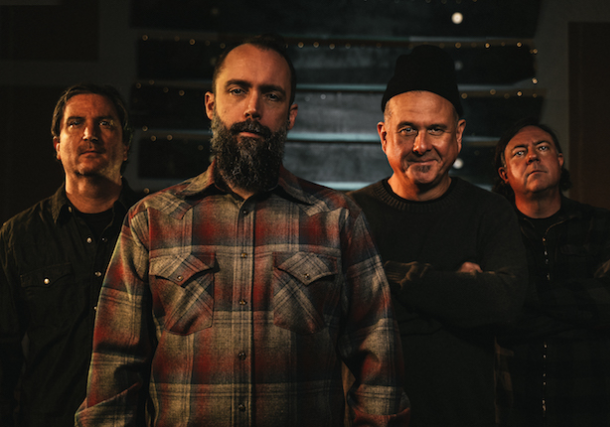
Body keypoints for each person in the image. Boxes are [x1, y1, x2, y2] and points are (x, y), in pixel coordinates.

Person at [74, 34, 409, 426]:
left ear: (290, 115)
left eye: (271, 95)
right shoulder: (150, 221)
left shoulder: (337, 219)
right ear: (210, 105)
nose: (253, 108)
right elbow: (114, 373)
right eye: (237, 90)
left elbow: (379, 364)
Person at [348, 45, 528, 426]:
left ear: (458, 134)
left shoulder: (490, 212)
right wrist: (458, 293)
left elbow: (506, 304)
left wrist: (391, 279)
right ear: (384, 135)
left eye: (436, 130)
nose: (421, 145)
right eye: (407, 129)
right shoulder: (349, 214)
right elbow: (338, 317)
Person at [0, 83, 139, 427]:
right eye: (75, 123)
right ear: (57, 147)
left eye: (105, 123)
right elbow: (3, 352)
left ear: (125, 147)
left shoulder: (157, 226)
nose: (90, 134)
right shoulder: (19, 236)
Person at [493, 117, 610, 426]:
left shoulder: (600, 223)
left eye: (542, 147)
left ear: (559, 160)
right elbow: (491, 314)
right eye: (519, 152)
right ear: (504, 174)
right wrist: (585, 316)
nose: (532, 156)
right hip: (517, 406)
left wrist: (519, 292)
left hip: (598, 405)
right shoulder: (492, 234)